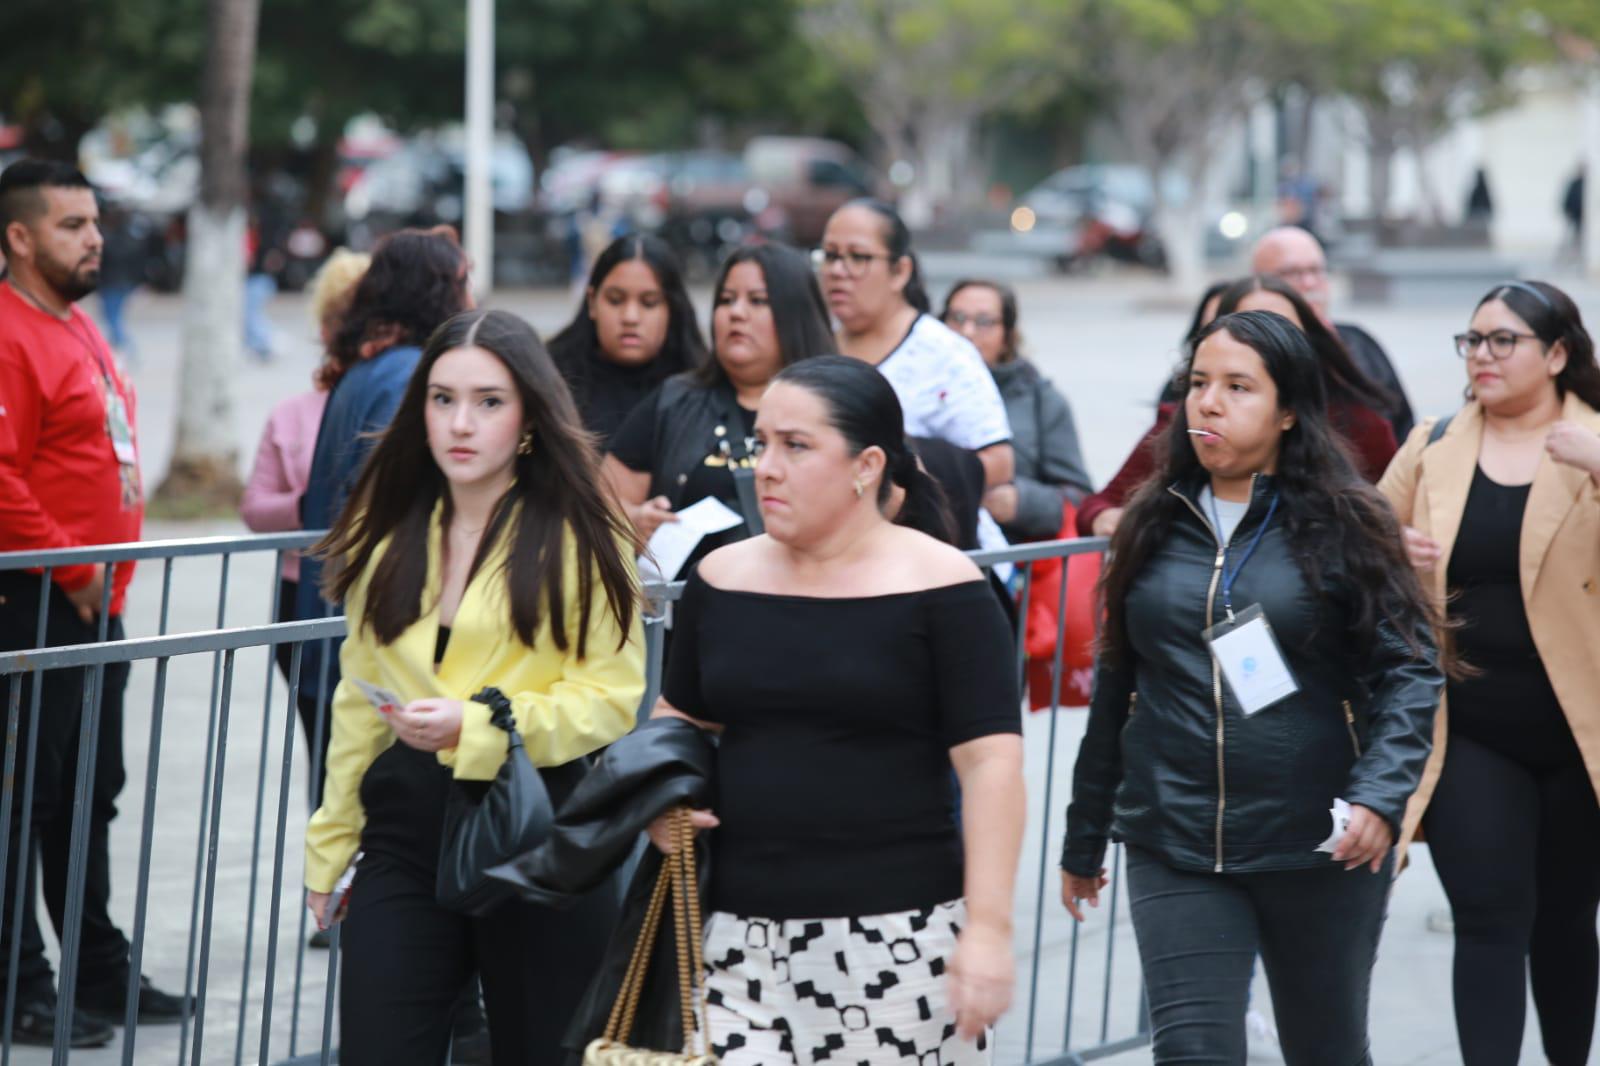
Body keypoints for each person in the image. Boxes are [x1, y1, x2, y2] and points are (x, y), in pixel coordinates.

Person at [1061, 310, 1443, 1065]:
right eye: (1199, 383)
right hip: (1173, 839)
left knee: (1325, 1049)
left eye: (1238, 387)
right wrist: (1083, 834)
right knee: (1195, 1050)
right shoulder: (1150, 521)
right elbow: (1116, 687)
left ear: (1289, 410)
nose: (1208, 402)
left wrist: (1378, 796)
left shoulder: (1349, 522)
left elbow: (1409, 671)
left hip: (1318, 843)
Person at [650, 354, 1025, 1063]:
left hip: (899, 939)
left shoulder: (945, 587)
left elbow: (992, 766)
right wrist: (658, 802)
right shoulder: (720, 577)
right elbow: (678, 719)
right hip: (735, 936)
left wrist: (990, 929)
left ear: (867, 465)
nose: (766, 466)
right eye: (762, 443)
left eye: (796, 446)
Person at [304, 308, 646, 1064]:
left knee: (542, 1049)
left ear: (528, 417)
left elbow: (611, 697)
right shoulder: (384, 526)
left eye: (489, 401)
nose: (461, 423)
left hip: (537, 820)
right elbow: (356, 702)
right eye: (442, 398)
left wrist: (480, 725)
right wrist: (328, 849)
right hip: (405, 823)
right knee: (379, 1044)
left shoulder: (583, 533)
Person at [1379, 279, 1600, 1066]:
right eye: (1472, 340)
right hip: (1470, 727)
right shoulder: (1435, 443)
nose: (1481, 356)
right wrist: (1388, 549)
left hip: (1582, 732)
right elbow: (1359, 538)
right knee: (1487, 916)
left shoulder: (1593, 441)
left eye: (1502, 340)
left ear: (1559, 354)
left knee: (1567, 920)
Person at [0, 159, 186, 1046]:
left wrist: (99, 582)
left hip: (89, 604)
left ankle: (98, 968)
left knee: (88, 793)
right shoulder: (6, 333)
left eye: (95, 222)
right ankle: (16, 985)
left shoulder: (72, 325)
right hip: (34, 604)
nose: (96, 238)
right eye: (73, 224)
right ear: (20, 237)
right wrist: (74, 571)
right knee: (22, 800)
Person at [294, 227, 474, 786]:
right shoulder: (408, 375)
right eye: (463, 285)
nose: (473, 301)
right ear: (436, 293)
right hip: (368, 643)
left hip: (332, 631)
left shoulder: (367, 368)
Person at [1076, 275, 1398, 537]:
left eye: (1280, 328)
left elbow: (1399, 514)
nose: (1210, 404)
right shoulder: (1183, 428)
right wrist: (1116, 522)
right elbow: (1099, 506)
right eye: (1200, 383)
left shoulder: (1359, 424)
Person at [604, 243, 832, 571]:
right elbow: (600, 505)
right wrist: (634, 522)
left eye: (757, 300)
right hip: (690, 612)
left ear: (796, 314)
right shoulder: (674, 400)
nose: (736, 312)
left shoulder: (839, 405)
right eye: (726, 300)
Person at [239, 248, 369, 786]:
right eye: (341, 317)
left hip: (373, 592)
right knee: (325, 756)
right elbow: (254, 507)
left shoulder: (404, 399)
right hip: (302, 593)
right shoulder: (292, 412)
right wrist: (311, 504)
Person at [817, 200, 1014, 493]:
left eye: (858, 257)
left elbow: (999, 462)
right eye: (830, 256)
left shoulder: (944, 354)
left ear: (900, 271)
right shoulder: (815, 344)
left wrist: (904, 480)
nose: (837, 270)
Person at [941, 278, 1091, 542]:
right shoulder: (917, 390)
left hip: (1014, 563)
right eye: (957, 317)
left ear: (1008, 335)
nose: (966, 331)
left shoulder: (1042, 401)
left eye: (984, 321)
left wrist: (1021, 502)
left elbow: (1080, 498)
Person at [1252, 225, 1414, 441]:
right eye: (1292, 273)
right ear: (1257, 282)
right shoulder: (1249, 352)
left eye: (1316, 270)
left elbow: (1404, 426)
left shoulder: (1359, 342)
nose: (1309, 283)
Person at [548, 233, 707, 449]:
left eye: (649, 303)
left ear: (672, 308)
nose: (630, 317)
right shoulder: (552, 381)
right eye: (615, 300)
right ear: (592, 302)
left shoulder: (703, 391)